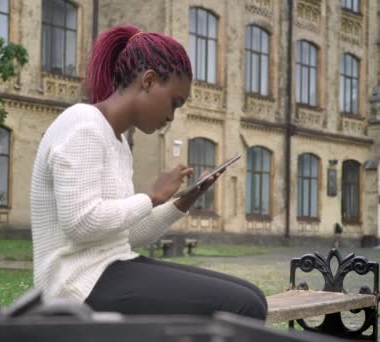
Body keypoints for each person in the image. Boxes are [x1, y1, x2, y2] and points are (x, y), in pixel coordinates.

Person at [30, 25, 267, 321]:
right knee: (244, 306)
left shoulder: (117, 142)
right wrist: (151, 197)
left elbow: (124, 234)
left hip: (107, 269)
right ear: (149, 81)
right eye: (174, 103)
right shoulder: (83, 125)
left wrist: (181, 202)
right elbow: (80, 223)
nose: (171, 116)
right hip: (74, 285)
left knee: (253, 296)